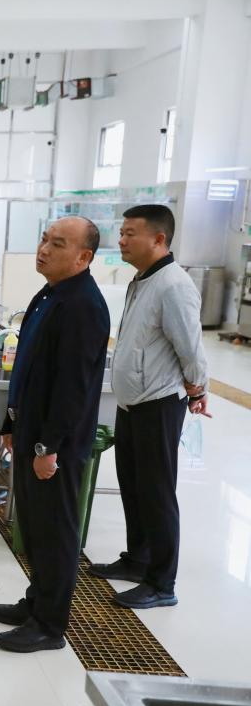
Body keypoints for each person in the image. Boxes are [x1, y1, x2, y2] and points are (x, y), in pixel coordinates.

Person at [0, 216, 110, 653]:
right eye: (44, 239)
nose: (43, 249)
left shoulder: (83, 306)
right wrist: (11, 423)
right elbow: (28, 367)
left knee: (56, 532)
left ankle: (49, 625)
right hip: (32, 432)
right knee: (37, 527)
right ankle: (36, 602)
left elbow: (71, 388)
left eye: (57, 244)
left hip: (55, 443)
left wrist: (48, 447)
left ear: (83, 257)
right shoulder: (50, 293)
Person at [90, 205, 210, 609]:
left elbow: (190, 347)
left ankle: (162, 583)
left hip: (158, 404)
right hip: (133, 403)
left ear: (159, 239)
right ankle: (138, 559)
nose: (121, 240)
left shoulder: (173, 285)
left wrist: (197, 389)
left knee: (157, 492)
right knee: (133, 485)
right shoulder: (142, 279)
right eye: (121, 232)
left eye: (130, 233)